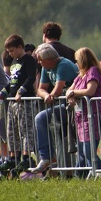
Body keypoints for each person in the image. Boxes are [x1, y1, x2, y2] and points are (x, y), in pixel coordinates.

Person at [31, 44, 78, 174]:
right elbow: (40, 89)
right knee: (40, 119)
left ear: (50, 59)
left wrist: (50, 96)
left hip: (75, 107)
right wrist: (46, 96)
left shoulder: (63, 65)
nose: (39, 62)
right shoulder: (47, 67)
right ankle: (47, 157)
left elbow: (57, 90)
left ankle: (48, 158)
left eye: (40, 60)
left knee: (41, 118)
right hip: (63, 106)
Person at [0, 35, 37, 174]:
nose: (10, 53)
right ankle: (13, 157)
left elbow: (31, 78)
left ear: (20, 47)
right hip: (12, 102)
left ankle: (26, 157)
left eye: (12, 50)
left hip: (24, 101)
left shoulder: (29, 60)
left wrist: (21, 91)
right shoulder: (14, 62)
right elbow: (12, 82)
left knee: (25, 130)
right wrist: (3, 92)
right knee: (11, 131)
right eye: (8, 51)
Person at [65, 47, 101, 178]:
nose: (76, 63)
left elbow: (90, 91)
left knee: (89, 152)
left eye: (77, 60)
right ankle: (80, 178)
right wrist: (70, 95)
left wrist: (73, 93)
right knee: (82, 153)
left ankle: (99, 174)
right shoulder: (79, 76)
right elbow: (68, 90)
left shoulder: (93, 71)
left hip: (92, 115)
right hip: (80, 118)